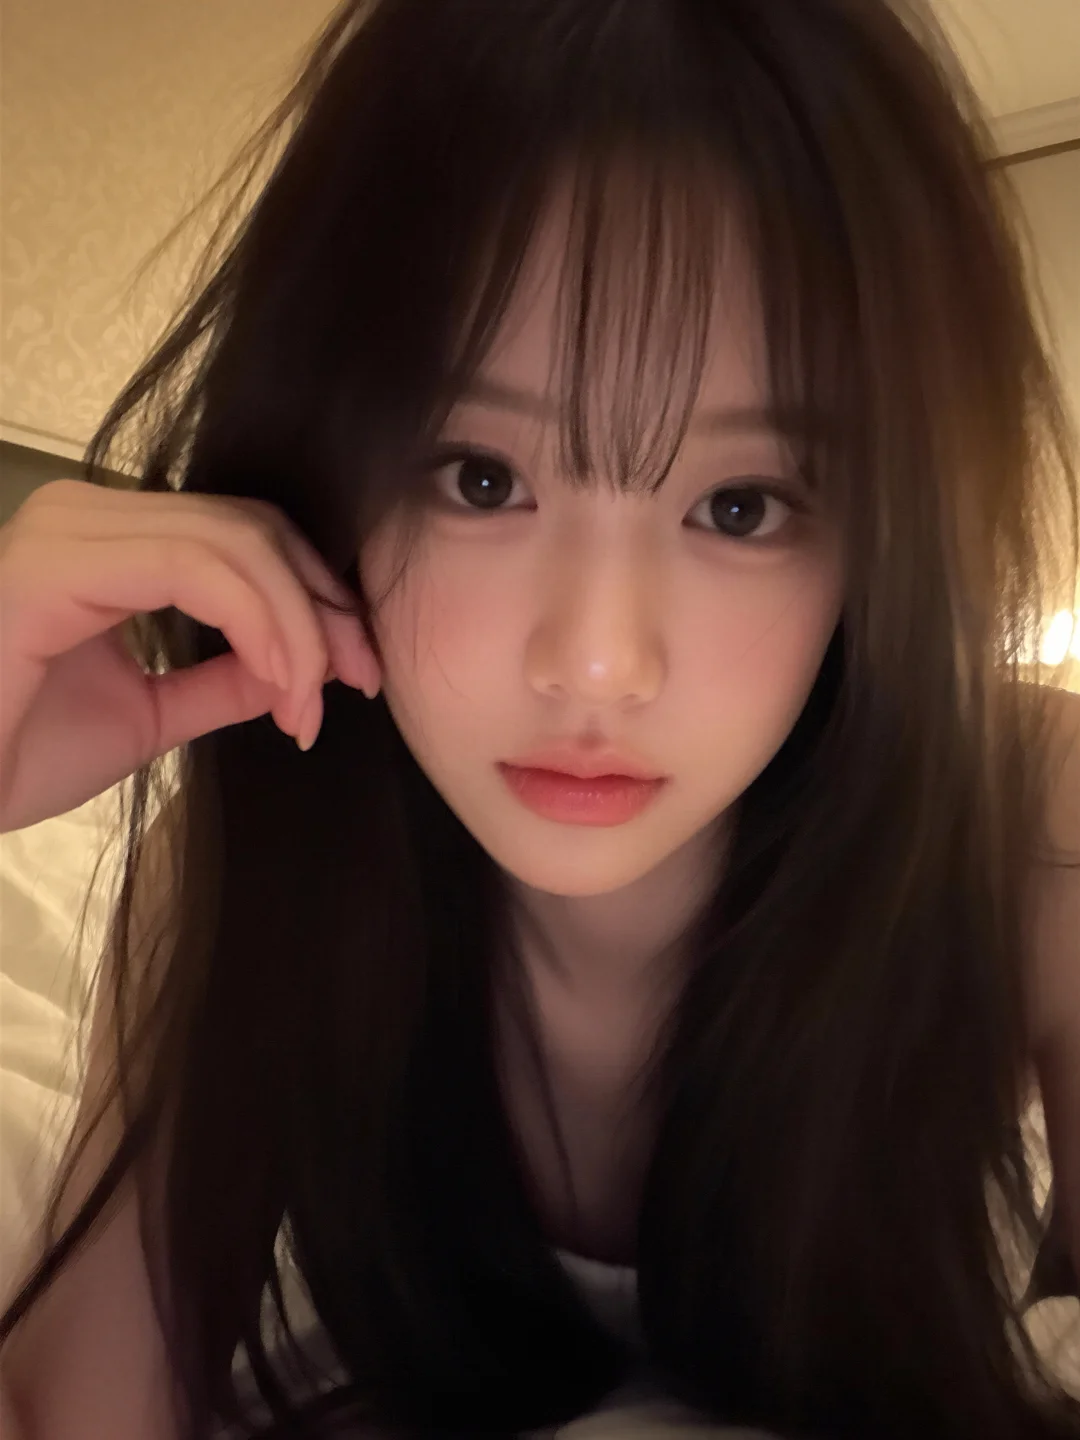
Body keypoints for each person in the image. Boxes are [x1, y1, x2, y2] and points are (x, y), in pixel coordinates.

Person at [0, 0, 1078, 1436]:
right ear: (330, 470)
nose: (597, 665)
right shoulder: (242, 855)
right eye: (482, 479)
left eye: (740, 506)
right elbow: (75, 1409)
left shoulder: (1035, 826)